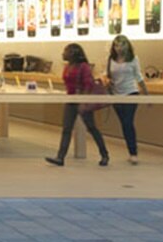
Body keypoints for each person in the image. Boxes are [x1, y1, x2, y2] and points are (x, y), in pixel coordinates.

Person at [45, 43, 110, 167]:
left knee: (92, 128)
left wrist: (83, 101)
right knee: (66, 129)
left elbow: (88, 84)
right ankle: (60, 157)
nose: (63, 54)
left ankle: (104, 154)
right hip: (71, 100)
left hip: (81, 101)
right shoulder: (68, 66)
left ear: (73, 53)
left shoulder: (83, 67)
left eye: (66, 51)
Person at [106, 35, 149, 165]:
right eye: (116, 45)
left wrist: (146, 94)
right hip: (116, 94)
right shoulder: (111, 59)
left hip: (131, 92)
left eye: (121, 45)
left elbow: (138, 76)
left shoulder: (133, 59)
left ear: (127, 46)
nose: (118, 48)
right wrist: (107, 82)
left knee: (128, 122)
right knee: (124, 125)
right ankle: (131, 151)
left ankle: (133, 153)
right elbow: (108, 74)